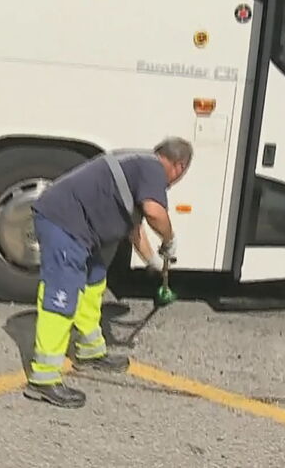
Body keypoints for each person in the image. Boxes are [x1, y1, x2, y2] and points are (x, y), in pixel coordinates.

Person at [25, 137, 193, 408]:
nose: (173, 183)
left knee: (94, 281)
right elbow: (154, 212)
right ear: (178, 165)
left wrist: (152, 261)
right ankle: (43, 379)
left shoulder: (136, 166)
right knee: (61, 296)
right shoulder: (152, 169)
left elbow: (134, 228)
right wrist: (169, 238)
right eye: (180, 175)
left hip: (82, 233)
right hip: (63, 224)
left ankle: (90, 352)